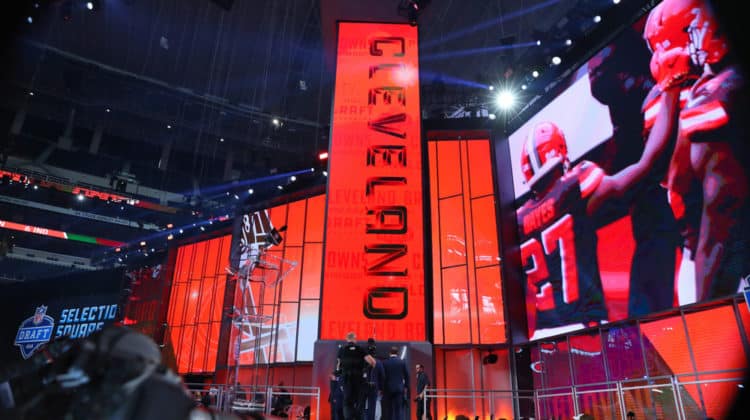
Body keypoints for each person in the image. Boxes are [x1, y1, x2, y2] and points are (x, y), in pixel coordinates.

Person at [337, 332, 376, 420]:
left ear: (347, 339)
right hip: (359, 380)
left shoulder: (341, 350)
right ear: (355, 339)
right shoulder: (361, 349)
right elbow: (373, 362)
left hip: (347, 380)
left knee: (347, 402)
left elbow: (338, 366)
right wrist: (366, 367)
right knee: (360, 403)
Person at [381, 346, 409, 420]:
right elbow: (407, 376)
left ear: (389, 353)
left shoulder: (385, 362)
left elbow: (382, 376)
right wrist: (406, 387)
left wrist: (381, 388)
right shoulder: (402, 362)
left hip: (388, 389)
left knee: (389, 410)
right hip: (399, 389)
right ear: (397, 353)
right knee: (398, 410)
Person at [364, 338, 385, 420]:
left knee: (365, 409)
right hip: (374, 389)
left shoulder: (363, 361)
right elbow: (383, 376)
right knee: (375, 410)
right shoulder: (378, 362)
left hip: (364, 388)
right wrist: (381, 388)